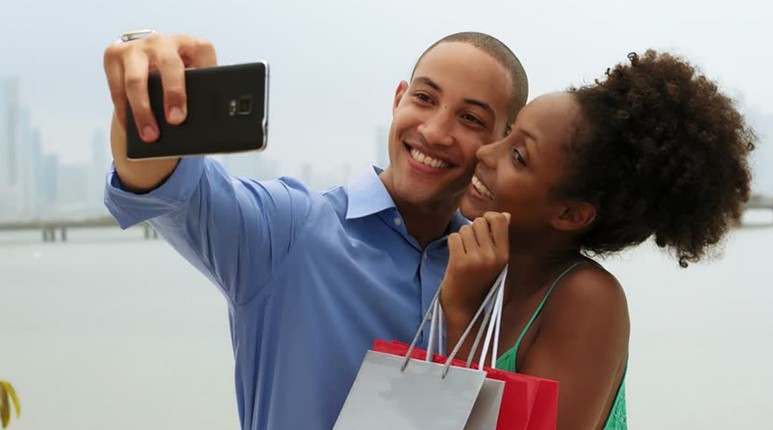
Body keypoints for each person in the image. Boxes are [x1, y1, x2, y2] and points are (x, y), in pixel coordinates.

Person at [102, 31, 528, 429]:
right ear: (399, 99)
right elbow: (168, 187)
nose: (434, 131)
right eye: (424, 97)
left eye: (470, 118)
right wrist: (144, 107)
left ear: (503, 143)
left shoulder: (501, 271)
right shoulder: (289, 229)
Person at [440, 50, 753, 430]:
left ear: (571, 214)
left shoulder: (587, 298)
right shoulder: (487, 272)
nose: (486, 153)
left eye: (518, 156)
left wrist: (458, 315)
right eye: (507, 136)